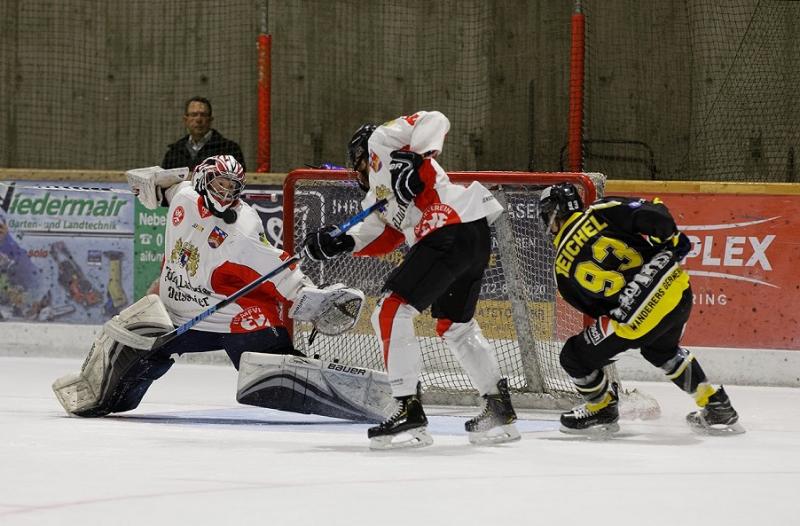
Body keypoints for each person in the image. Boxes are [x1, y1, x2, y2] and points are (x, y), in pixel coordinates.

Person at [53, 155, 375, 421]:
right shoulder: (185, 196)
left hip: (232, 318)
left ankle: (346, 389)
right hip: (179, 317)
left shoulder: (243, 228)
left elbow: (279, 270)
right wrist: (147, 183)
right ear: (205, 180)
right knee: (127, 341)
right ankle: (100, 396)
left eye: (233, 186)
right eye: (221, 183)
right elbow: (163, 187)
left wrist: (311, 300)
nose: (227, 192)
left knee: (277, 373)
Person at [303, 111, 520, 449]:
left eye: (357, 163)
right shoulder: (375, 199)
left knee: (390, 312)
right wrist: (339, 242)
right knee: (455, 325)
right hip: (469, 236)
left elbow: (435, 119)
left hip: (449, 227)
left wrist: (415, 156)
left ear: (361, 155)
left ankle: (408, 409)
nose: (357, 169)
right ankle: (498, 409)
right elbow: (381, 236)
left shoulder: (382, 141)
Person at [538, 183, 744, 436]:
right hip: (678, 290)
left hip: (639, 318)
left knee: (573, 356)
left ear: (552, 214)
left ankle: (602, 407)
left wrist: (628, 316)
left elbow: (599, 311)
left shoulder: (560, 269)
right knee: (662, 351)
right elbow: (656, 214)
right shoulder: (601, 210)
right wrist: (671, 239)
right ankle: (715, 405)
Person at [161, 97, 246, 172]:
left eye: (203, 115)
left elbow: (238, 183)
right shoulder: (174, 152)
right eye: (194, 115)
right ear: (185, 120)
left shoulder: (229, 150)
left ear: (210, 119)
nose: (198, 119)